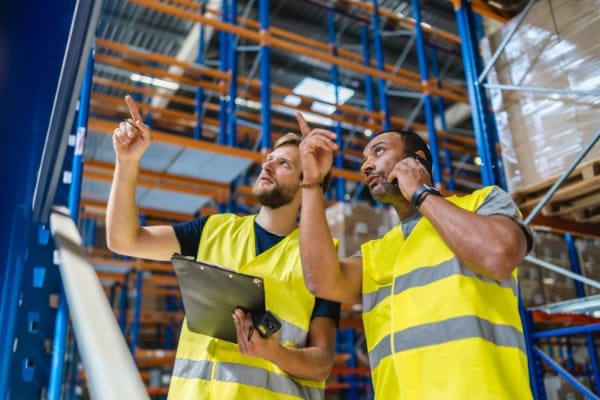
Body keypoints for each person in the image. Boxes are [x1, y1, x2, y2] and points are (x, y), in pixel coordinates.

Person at [106, 95, 340, 400]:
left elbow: (322, 363)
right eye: (269, 157)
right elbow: (124, 240)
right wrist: (126, 163)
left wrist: (275, 353)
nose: (268, 165)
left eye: (283, 164)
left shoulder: (319, 258)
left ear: (306, 181)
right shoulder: (212, 230)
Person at [295, 112, 534, 399]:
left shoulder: (481, 203)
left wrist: (421, 193)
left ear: (417, 158)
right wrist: (311, 182)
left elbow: (498, 256)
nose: (367, 165)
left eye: (379, 151)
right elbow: (321, 280)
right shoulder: (377, 251)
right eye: (363, 161)